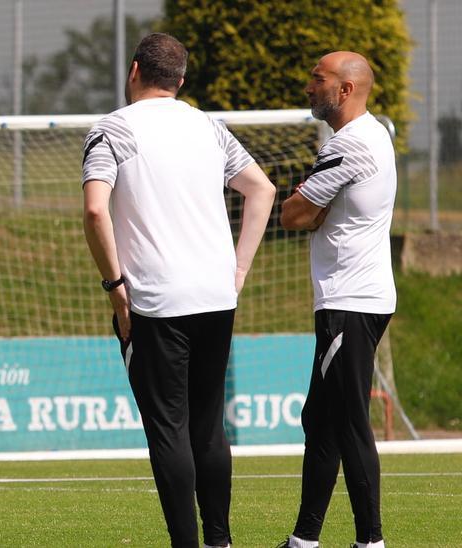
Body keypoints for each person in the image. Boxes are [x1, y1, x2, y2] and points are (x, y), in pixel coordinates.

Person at [81, 33, 276, 548]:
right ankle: (220, 541)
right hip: (215, 297)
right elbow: (263, 189)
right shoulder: (209, 127)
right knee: (209, 426)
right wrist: (237, 270)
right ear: (181, 80)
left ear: (134, 69)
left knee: (168, 429)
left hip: (154, 300)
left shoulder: (112, 129)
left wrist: (115, 286)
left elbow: (96, 209)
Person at [277, 51, 397, 548]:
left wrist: (306, 205)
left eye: (317, 77)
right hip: (353, 298)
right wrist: (310, 206)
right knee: (320, 419)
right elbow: (308, 210)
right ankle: (305, 540)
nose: (308, 86)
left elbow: (293, 214)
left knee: (348, 421)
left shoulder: (349, 146)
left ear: (345, 89)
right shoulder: (372, 135)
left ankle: (371, 542)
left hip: (351, 300)